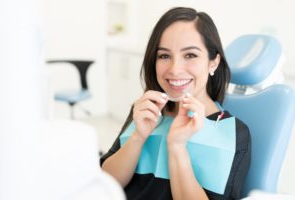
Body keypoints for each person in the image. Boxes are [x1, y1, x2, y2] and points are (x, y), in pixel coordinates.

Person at [100, 7, 251, 200]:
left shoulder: (234, 133)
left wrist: (177, 146)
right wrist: (138, 136)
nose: (175, 69)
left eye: (190, 55)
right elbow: (104, 184)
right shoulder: (146, 110)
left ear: (213, 62)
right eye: (164, 56)